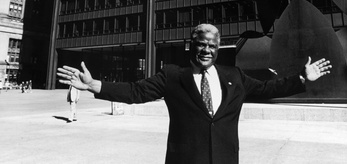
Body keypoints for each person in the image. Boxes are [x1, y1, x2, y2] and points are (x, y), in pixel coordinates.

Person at [57, 24, 331, 164]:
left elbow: (268, 89)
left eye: (211, 46)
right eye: (201, 45)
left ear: (218, 48)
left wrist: (301, 79)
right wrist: (96, 86)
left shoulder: (234, 77)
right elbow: (136, 91)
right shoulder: (173, 75)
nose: (206, 51)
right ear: (192, 46)